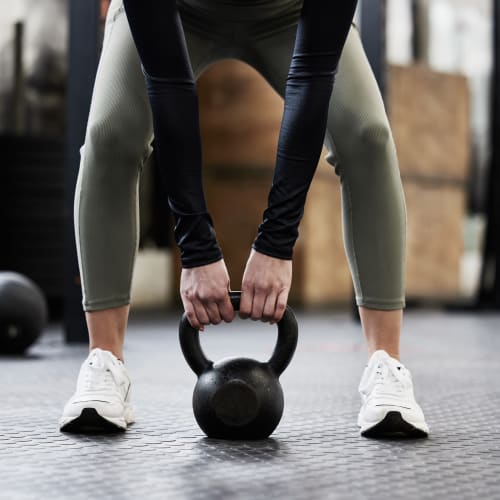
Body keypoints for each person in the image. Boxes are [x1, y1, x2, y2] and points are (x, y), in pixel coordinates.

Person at [59, 0, 429, 438]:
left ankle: (385, 364)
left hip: (290, 11)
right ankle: (105, 364)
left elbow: (311, 77)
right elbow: (167, 81)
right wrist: (195, 246)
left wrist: (277, 241)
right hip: (178, 9)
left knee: (368, 136)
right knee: (110, 135)